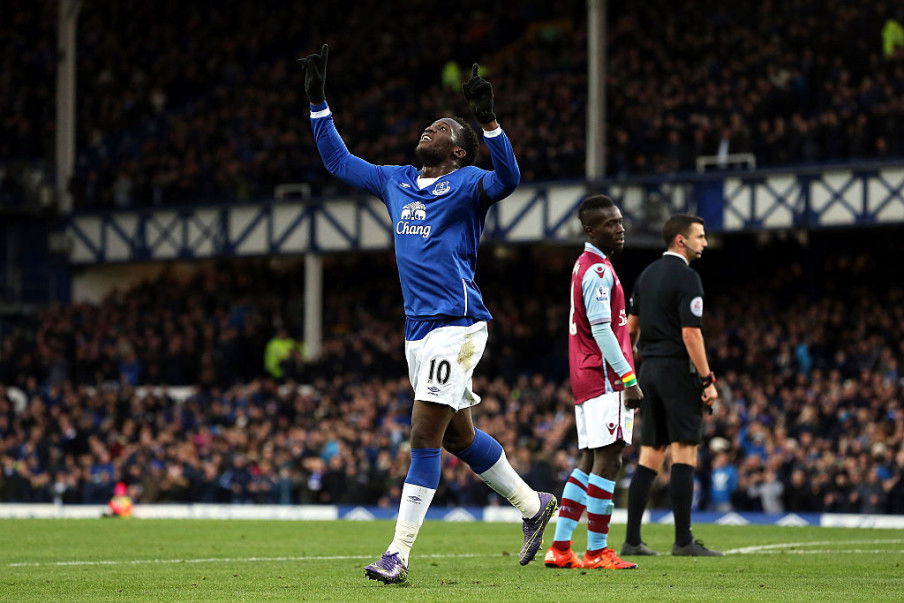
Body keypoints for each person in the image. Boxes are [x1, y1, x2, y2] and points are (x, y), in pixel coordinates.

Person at [298, 45, 557, 584]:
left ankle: (397, 555)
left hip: (457, 324)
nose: (429, 130)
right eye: (429, 125)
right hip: (417, 330)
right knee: (459, 437)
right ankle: (534, 506)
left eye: (440, 128)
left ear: (459, 151)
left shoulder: (467, 184)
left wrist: (489, 123)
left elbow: (507, 180)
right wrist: (319, 102)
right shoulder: (394, 180)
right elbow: (338, 162)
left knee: (423, 433)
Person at [543, 195, 642, 571]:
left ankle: (561, 547)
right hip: (604, 376)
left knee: (587, 460)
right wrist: (629, 379)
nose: (620, 229)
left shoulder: (584, 265)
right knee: (609, 459)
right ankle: (598, 550)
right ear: (590, 230)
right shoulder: (598, 271)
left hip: (585, 376)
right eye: (611, 224)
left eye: (620, 222)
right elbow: (602, 330)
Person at [621, 214, 724, 557]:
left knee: (650, 454)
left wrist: (631, 373)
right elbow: (691, 333)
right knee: (684, 450)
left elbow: (631, 329)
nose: (705, 243)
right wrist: (707, 379)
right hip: (678, 371)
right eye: (700, 236)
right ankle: (683, 541)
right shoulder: (689, 279)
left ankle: (632, 540)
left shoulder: (646, 276)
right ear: (681, 240)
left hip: (648, 371)